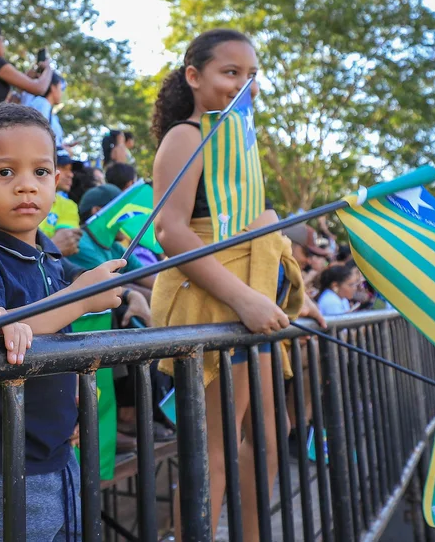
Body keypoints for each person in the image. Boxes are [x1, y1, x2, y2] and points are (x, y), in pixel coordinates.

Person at [149, 28, 314, 542]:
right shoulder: (187, 136)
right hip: (212, 302)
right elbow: (170, 230)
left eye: (252, 75)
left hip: (253, 299)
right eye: (231, 73)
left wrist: (296, 300)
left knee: (269, 438)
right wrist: (243, 297)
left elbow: (260, 230)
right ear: (194, 77)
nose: (245, 86)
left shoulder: (241, 143)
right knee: (214, 450)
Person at [0, 102, 124, 541]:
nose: (26, 186)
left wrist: (73, 407)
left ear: (57, 181)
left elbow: (55, 338)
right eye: (5, 173)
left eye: (40, 172)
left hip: (56, 455)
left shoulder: (51, 259)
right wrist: (77, 299)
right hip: (3, 468)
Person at [20, 71, 66, 147]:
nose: (62, 93)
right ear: (53, 87)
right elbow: (41, 135)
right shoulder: (41, 103)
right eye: (61, 88)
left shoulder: (51, 113)